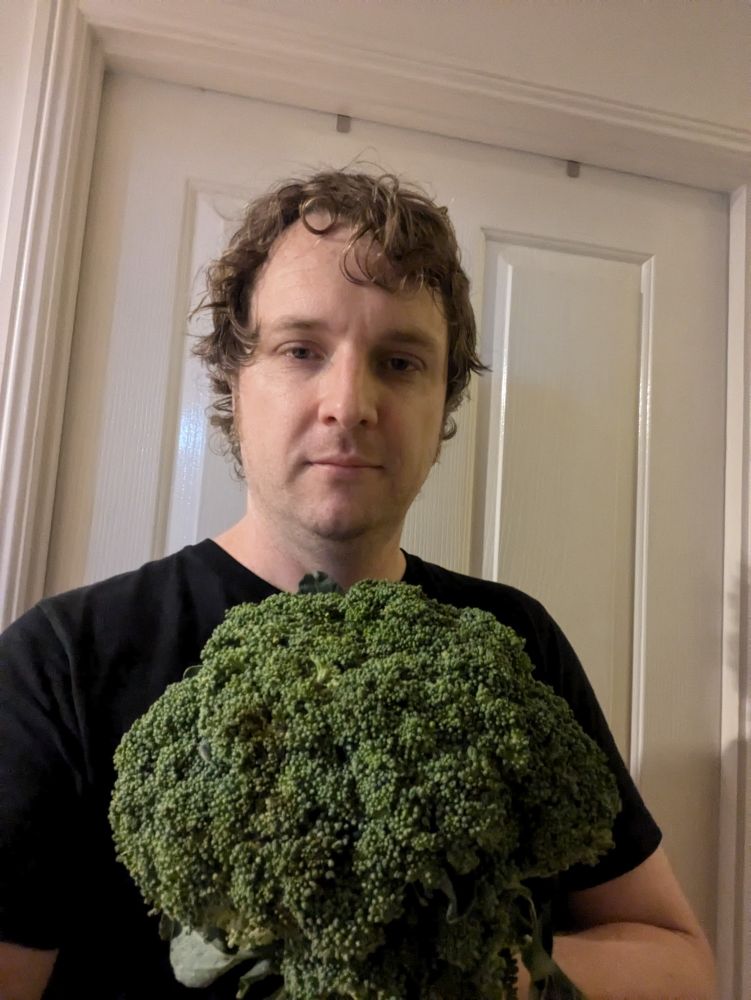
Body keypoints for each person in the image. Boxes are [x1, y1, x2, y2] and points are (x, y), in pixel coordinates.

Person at [0, 169, 715, 1000]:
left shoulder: (511, 642)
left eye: (400, 361)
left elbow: (678, 962)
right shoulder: (62, 662)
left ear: (440, 399)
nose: (350, 402)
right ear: (237, 377)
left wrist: (475, 972)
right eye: (301, 349)